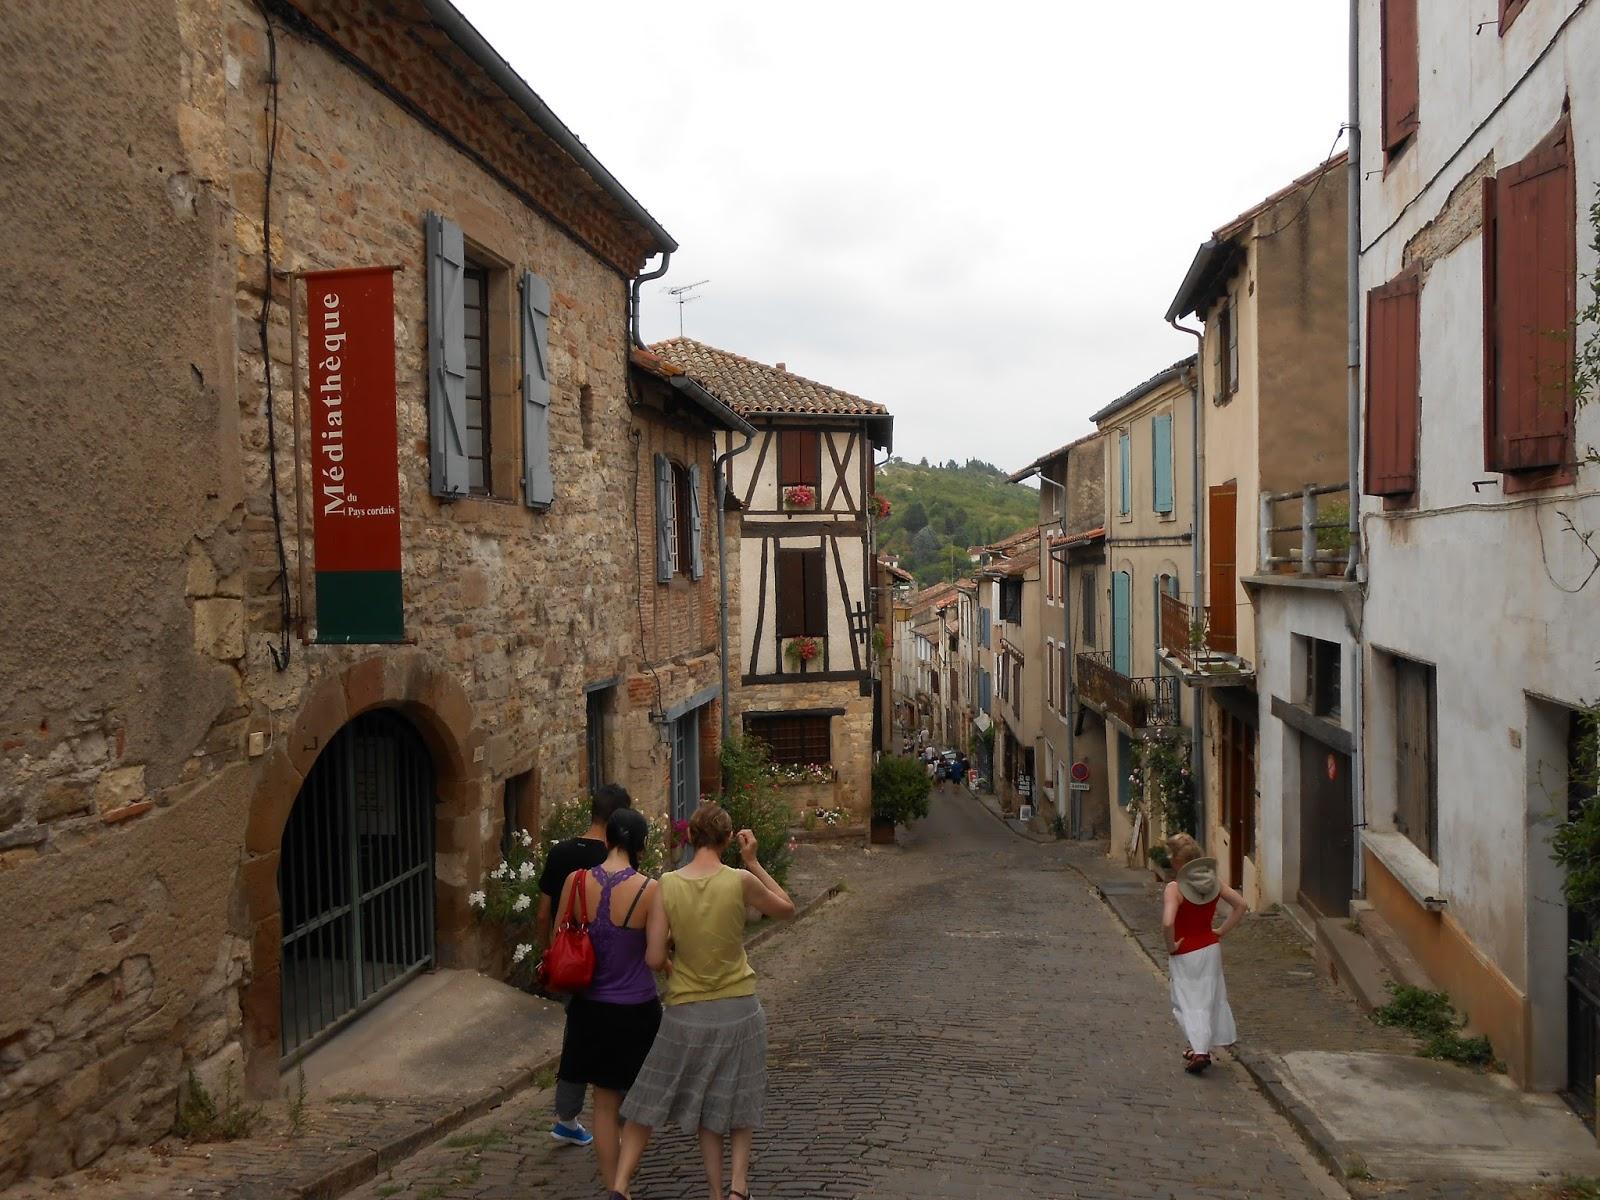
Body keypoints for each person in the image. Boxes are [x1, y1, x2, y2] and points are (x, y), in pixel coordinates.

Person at [609, 802, 794, 1200]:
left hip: (686, 1012)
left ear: (689, 837)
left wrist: (676, 964)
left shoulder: (668, 885)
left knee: (682, 1102)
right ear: (728, 840)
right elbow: (786, 909)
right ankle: (737, 1189)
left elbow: (654, 957)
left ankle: (699, 1191)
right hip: (740, 1006)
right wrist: (755, 862)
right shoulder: (740, 880)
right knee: (739, 1100)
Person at [553, 808, 662, 1192]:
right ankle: (620, 1183)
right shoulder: (650, 890)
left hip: (589, 1009)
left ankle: (615, 1186)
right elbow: (656, 956)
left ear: (607, 839)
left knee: (603, 1103)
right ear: (641, 845)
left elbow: (557, 940)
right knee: (642, 1103)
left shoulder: (576, 881)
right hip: (637, 1009)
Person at [537, 782, 633, 1147]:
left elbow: (544, 913)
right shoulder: (614, 859)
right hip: (610, 965)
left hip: (572, 967)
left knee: (577, 1036)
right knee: (618, 1040)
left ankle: (567, 1117)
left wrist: (550, 953)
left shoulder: (560, 853)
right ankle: (620, 1117)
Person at [1161, 833, 1245, 1073]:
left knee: (1186, 1001)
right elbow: (1241, 905)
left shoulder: (1174, 888)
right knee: (1208, 998)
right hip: (1210, 947)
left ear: (1178, 862)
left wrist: (1171, 945)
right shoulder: (1213, 882)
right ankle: (1201, 1047)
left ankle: (1199, 1052)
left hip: (1186, 950)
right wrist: (1220, 931)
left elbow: (1168, 923)